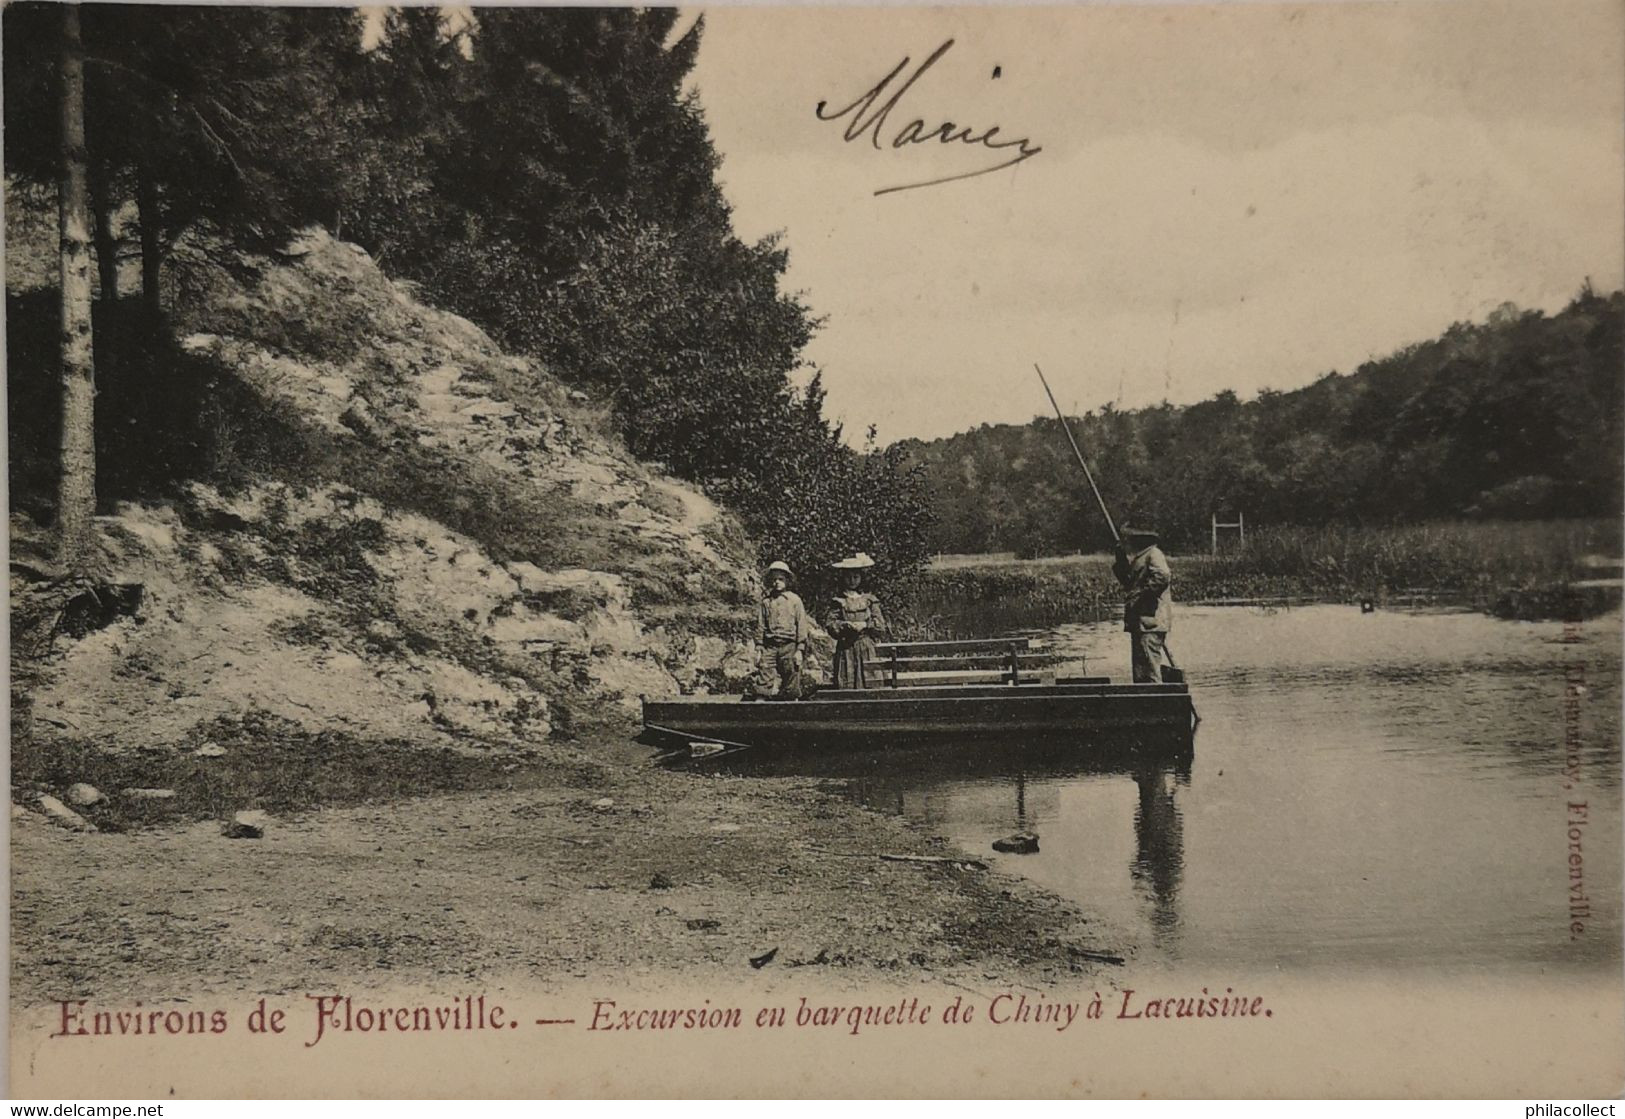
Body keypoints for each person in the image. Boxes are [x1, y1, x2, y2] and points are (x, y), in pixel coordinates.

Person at [1111, 524, 1172, 683]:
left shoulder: (1153, 554)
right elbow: (1130, 583)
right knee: (1141, 671)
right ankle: (1146, 704)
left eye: (1134, 539)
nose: (1130, 541)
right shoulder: (1142, 557)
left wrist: (1142, 596)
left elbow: (1163, 576)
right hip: (1141, 622)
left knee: (1149, 670)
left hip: (1150, 621)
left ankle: (1156, 703)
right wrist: (1121, 562)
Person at [747, 560, 811, 700]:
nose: (777, 582)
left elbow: (801, 625)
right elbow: (761, 625)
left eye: (781, 579)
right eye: (774, 579)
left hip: (789, 644)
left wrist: (800, 649)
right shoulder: (766, 602)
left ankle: (791, 700)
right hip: (770, 645)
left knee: (791, 671)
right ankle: (761, 698)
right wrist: (759, 647)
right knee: (765, 670)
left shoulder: (795, 600)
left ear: (787, 581)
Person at [825, 552, 889, 690]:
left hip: (866, 647)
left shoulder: (869, 599)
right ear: (843, 579)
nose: (852, 581)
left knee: (870, 681)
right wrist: (844, 626)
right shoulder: (838, 601)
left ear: (861, 578)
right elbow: (830, 625)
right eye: (848, 577)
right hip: (846, 648)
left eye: (856, 577)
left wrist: (866, 625)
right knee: (847, 681)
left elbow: (880, 626)